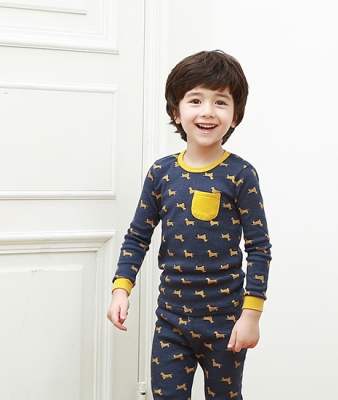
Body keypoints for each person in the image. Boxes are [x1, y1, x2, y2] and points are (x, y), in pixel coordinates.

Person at [107, 50, 272, 400]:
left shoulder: (241, 175)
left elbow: (259, 248)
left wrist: (251, 315)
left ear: (235, 116)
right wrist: (121, 288)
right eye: (195, 100)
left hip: (226, 324)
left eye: (220, 102)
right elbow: (137, 237)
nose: (208, 111)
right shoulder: (161, 173)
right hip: (171, 321)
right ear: (175, 112)